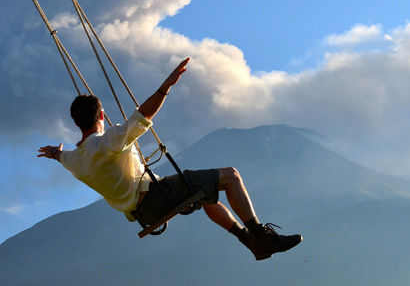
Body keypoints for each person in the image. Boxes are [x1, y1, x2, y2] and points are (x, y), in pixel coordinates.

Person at [37, 57, 302, 260]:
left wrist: (55, 153)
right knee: (230, 176)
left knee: (206, 195)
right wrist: (166, 87)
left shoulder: (75, 160)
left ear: (76, 122)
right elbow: (142, 116)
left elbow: (64, 157)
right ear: (102, 116)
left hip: (143, 214)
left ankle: (249, 242)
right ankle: (260, 236)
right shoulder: (106, 142)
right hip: (156, 196)